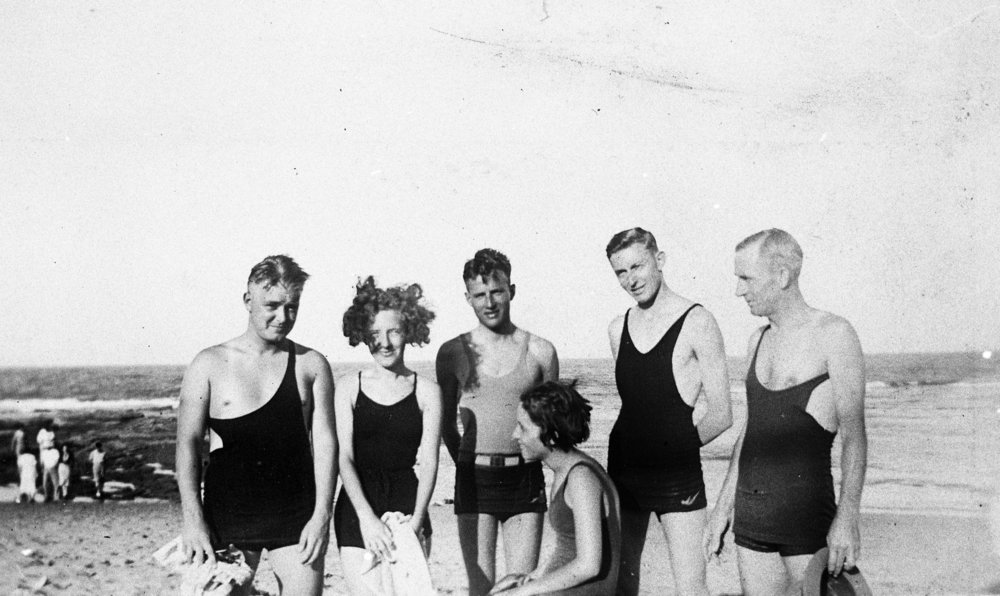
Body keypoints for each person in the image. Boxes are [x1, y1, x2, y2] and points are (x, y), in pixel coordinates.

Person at [705, 229, 868, 596]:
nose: (738, 290)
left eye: (746, 278)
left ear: (782, 276)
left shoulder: (835, 335)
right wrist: (722, 509)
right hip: (751, 527)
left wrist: (847, 517)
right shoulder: (756, 340)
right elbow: (751, 431)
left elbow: (854, 436)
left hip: (807, 526)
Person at [176, 255, 337, 596]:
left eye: (292, 307)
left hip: (296, 515)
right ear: (248, 301)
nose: (283, 317)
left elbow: (325, 445)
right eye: (272, 306)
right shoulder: (209, 364)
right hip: (227, 515)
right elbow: (188, 443)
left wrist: (322, 516)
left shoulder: (311, 366)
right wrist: (193, 520)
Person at [604, 227, 733, 596]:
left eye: (637, 266)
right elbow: (636, 406)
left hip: (676, 473)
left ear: (659, 261)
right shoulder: (617, 328)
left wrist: (676, 450)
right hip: (625, 469)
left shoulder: (698, 321)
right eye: (620, 272)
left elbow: (722, 413)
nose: (630, 280)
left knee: (691, 586)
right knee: (622, 581)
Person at [436, 248, 559, 596]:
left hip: (524, 479)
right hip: (474, 481)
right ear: (467, 298)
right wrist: (466, 464)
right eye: (479, 295)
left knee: (521, 588)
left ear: (511, 290)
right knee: (481, 588)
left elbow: (552, 429)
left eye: (497, 291)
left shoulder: (541, 352)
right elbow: (446, 424)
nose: (489, 302)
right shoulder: (452, 352)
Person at [334, 276, 443, 594]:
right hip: (356, 509)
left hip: (409, 505)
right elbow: (344, 458)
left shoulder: (428, 391)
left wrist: (418, 520)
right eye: (375, 334)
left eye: (393, 331)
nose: (384, 342)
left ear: (408, 329)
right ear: (363, 335)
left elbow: (430, 461)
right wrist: (367, 519)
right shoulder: (347, 387)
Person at [492, 381, 621, 596]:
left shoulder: (581, 478)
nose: (515, 435)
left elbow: (589, 565)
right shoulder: (565, 470)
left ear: (551, 435)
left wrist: (527, 591)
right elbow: (565, 545)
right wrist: (530, 577)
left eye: (523, 428)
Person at [38, 424, 61, 503]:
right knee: (45, 482)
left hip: (51, 463)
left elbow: (56, 459)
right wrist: (42, 464)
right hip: (46, 464)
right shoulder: (43, 433)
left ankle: (56, 497)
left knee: (55, 482)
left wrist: (54, 464)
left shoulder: (51, 435)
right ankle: (47, 496)